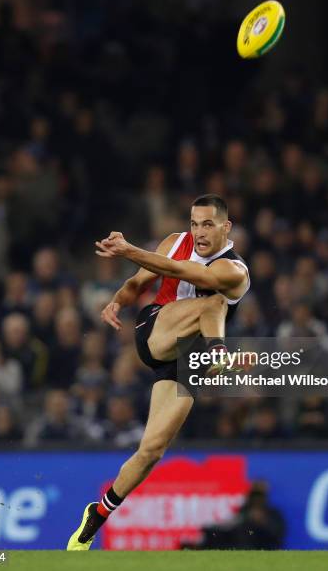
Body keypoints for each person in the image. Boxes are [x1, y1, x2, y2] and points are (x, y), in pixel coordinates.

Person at [67, 194, 250, 550]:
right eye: (194, 223)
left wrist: (129, 249)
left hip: (185, 362)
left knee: (151, 450)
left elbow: (188, 272)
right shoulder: (174, 243)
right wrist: (118, 300)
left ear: (226, 228)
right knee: (212, 303)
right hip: (156, 330)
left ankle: (95, 518)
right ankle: (220, 354)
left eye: (208, 224)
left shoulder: (234, 270)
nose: (198, 231)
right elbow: (138, 282)